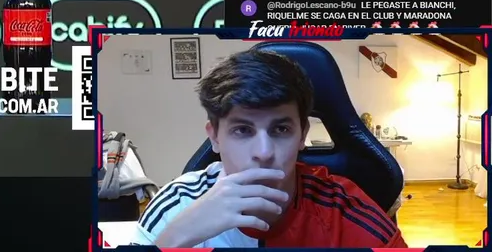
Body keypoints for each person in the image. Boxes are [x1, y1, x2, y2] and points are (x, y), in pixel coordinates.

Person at [134, 48, 407, 248]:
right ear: (215, 137)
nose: (263, 153)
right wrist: (176, 238)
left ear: (302, 135)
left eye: (281, 130)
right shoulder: (176, 206)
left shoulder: (346, 211)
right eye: (243, 130)